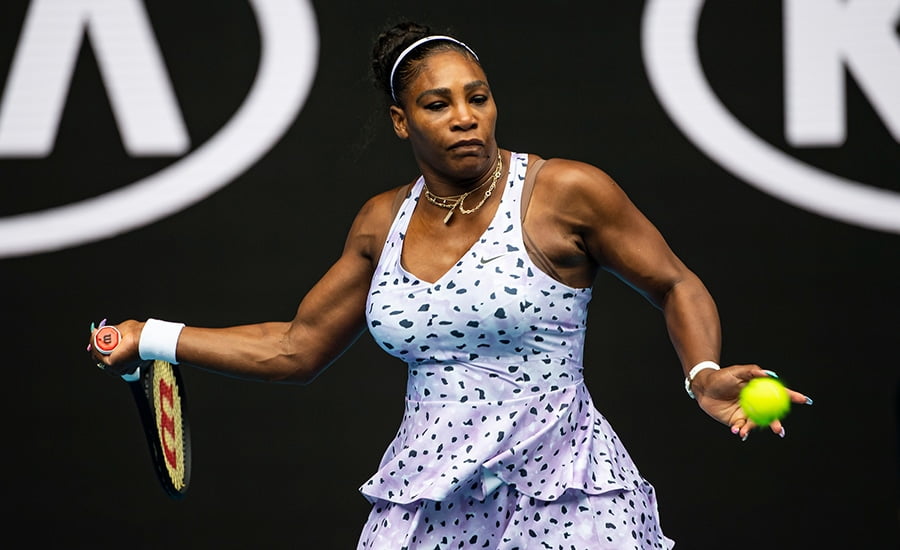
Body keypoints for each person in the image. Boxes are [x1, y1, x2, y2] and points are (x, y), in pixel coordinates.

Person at [90, 21, 812, 550]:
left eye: (479, 97)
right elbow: (295, 347)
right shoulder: (381, 221)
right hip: (427, 499)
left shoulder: (564, 192)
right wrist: (151, 337)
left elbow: (676, 283)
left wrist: (704, 374)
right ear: (403, 121)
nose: (466, 117)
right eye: (438, 105)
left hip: (567, 490)